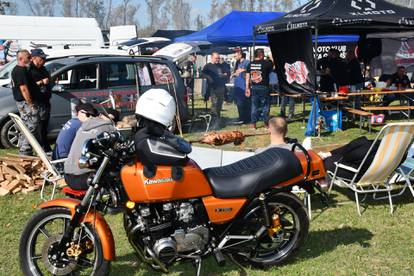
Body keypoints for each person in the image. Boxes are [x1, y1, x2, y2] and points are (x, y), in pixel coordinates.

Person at [64, 108, 119, 190]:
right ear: (114, 121)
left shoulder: (83, 126)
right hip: (84, 179)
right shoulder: (109, 128)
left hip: (67, 175)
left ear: (100, 115)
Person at [11, 49, 42, 156]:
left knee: (27, 125)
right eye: (28, 57)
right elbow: (23, 89)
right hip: (25, 103)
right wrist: (31, 103)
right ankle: (25, 150)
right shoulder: (20, 71)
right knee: (31, 125)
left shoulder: (24, 69)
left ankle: (24, 147)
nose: (31, 59)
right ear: (21, 58)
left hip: (25, 102)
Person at [28, 49, 52, 152]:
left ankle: (45, 145)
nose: (44, 60)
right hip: (37, 101)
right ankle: (41, 147)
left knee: (44, 125)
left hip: (45, 100)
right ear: (34, 58)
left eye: (45, 58)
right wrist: (41, 82)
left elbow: (48, 79)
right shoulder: (29, 70)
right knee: (38, 126)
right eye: (42, 58)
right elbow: (28, 87)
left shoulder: (43, 69)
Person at [245, 48, 274, 129]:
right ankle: (266, 124)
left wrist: (247, 88)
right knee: (265, 106)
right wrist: (270, 56)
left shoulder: (250, 64)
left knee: (254, 106)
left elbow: (247, 76)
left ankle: (253, 124)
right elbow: (273, 62)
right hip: (264, 87)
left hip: (253, 87)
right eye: (263, 54)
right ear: (261, 55)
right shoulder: (266, 63)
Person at [202, 52, 227, 127]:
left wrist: (224, 75)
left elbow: (226, 73)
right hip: (213, 88)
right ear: (212, 58)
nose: (218, 59)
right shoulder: (208, 66)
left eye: (218, 58)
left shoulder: (220, 65)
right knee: (215, 104)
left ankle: (218, 120)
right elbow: (202, 73)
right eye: (216, 58)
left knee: (219, 104)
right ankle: (213, 122)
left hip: (221, 87)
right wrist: (209, 77)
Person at [232, 51, 251, 124]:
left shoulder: (247, 62)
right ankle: (241, 117)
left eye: (236, 56)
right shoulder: (237, 63)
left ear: (240, 55)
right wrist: (233, 74)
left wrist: (243, 70)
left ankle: (247, 118)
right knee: (239, 102)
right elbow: (237, 72)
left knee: (245, 102)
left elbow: (251, 70)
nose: (235, 57)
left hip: (244, 85)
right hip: (237, 85)